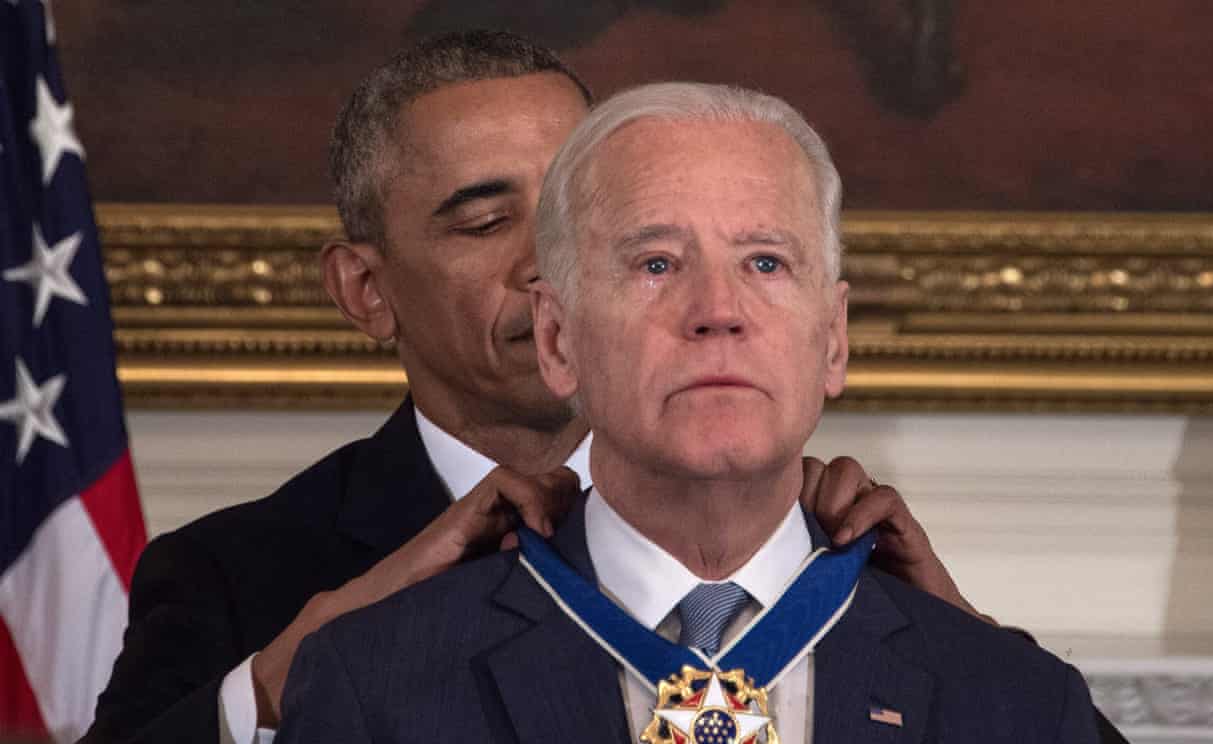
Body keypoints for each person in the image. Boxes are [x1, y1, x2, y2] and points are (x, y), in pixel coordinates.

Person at [82, 33, 970, 744]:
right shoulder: (237, 577)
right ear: (366, 290)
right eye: (485, 221)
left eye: (579, 218)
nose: (546, 260)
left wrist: (959, 630)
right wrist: (282, 684)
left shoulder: (820, 540)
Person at [275, 81, 1103, 744]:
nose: (718, 309)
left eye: (767, 261)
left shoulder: (1015, 701)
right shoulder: (376, 684)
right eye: (657, 262)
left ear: (834, 340)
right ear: (559, 339)